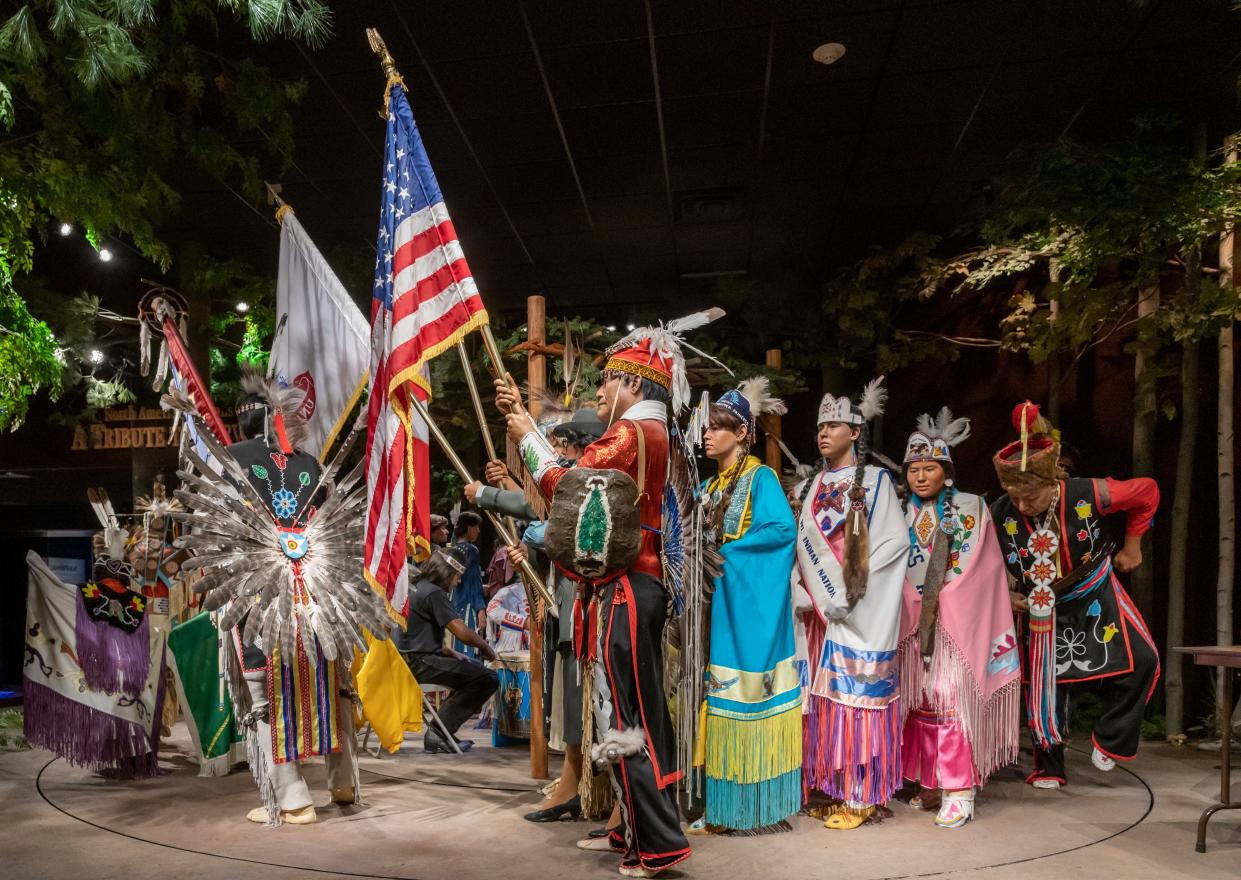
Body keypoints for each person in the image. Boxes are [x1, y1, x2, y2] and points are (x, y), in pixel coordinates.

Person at [496, 321, 706, 878]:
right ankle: (629, 827)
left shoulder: (632, 436)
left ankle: (657, 843)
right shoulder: (651, 435)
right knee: (628, 708)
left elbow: (568, 486)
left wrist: (524, 434)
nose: (600, 392)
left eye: (609, 381)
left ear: (635, 386)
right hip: (632, 585)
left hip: (626, 589)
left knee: (626, 712)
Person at [991, 401, 1160, 789]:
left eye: (1029, 497)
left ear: (1050, 482)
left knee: (1144, 660)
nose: (1021, 505)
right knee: (1047, 685)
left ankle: (1112, 737)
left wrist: (1133, 548)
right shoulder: (1000, 510)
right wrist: (1005, 594)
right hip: (1042, 606)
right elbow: (980, 557)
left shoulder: (1089, 494)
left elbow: (1146, 492)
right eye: (1014, 496)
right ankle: (1050, 766)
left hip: (1094, 592)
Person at [465, 405, 607, 823]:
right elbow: (539, 508)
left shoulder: (590, 478)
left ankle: (594, 790)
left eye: (564, 443)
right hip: (568, 609)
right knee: (569, 702)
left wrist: (497, 502)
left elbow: (554, 521)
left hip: (589, 610)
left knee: (589, 704)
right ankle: (576, 784)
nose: (560, 451)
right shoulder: (572, 477)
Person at [791, 377, 908, 830]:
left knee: (854, 700)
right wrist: (809, 594)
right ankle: (830, 785)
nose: (823, 433)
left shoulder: (877, 481)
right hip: (819, 612)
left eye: (834, 425)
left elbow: (894, 544)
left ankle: (861, 794)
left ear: (855, 433)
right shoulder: (809, 485)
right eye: (820, 426)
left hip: (855, 611)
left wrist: (849, 593)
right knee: (821, 703)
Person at [897, 408, 1021, 828]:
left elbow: (982, 566)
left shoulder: (970, 507)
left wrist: (941, 597)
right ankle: (930, 782)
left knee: (952, 703)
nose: (919, 476)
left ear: (946, 472)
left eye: (928, 468)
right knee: (921, 705)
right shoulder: (900, 514)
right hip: (911, 625)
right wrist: (910, 599)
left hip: (953, 625)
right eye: (913, 469)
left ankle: (959, 789)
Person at [689, 378, 802, 835]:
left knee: (746, 698)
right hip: (712, 607)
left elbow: (780, 531)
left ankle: (756, 811)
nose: (707, 436)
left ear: (741, 433)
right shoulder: (708, 486)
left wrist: (726, 556)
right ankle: (720, 807)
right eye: (705, 428)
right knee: (715, 702)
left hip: (746, 605)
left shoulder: (760, 477)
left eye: (717, 428)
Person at [397, 546, 499, 753]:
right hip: (419, 663)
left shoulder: (416, 586)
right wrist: (485, 646)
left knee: (470, 670)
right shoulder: (434, 592)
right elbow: (460, 631)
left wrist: (449, 652)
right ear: (447, 572)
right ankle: (438, 732)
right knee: (488, 678)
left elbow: (415, 635)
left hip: (405, 661)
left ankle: (440, 730)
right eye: (457, 576)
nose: (458, 581)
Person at [451, 512, 486, 658]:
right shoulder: (471, 550)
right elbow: (474, 583)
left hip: (452, 603)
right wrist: (481, 609)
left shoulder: (452, 549)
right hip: (467, 604)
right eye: (476, 527)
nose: (478, 531)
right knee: (469, 646)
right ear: (469, 528)